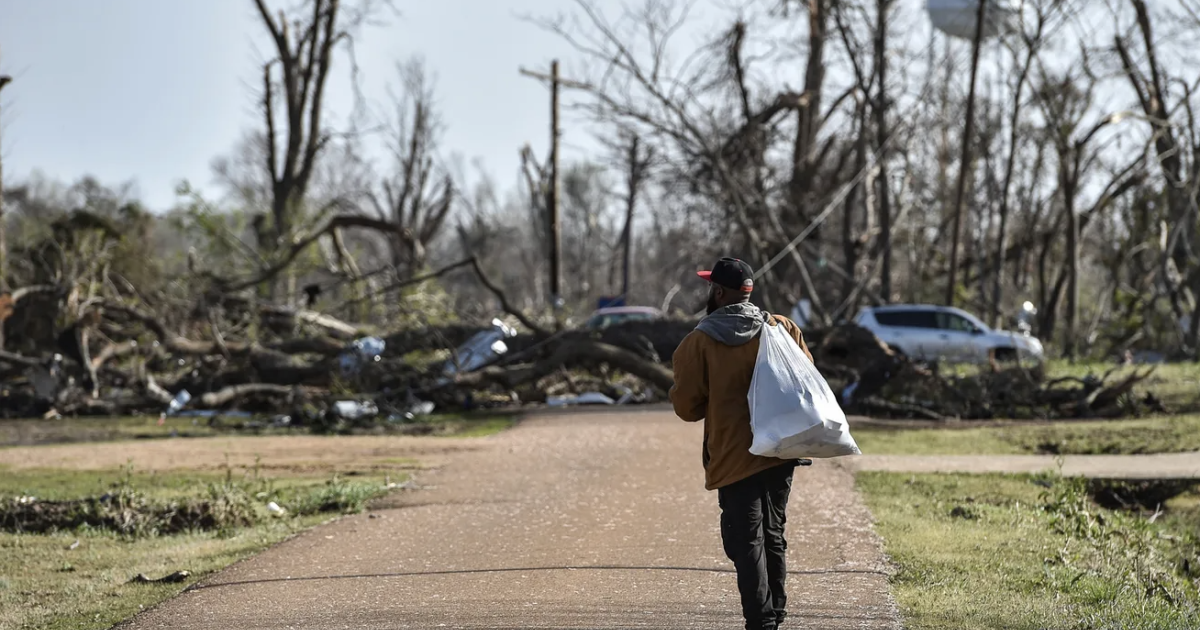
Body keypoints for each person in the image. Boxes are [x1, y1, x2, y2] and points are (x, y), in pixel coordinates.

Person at [669, 257, 814, 630]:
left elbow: (687, 408)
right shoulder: (781, 328)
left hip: (734, 455)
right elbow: (807, 381)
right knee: (773, 532)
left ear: (718, 293)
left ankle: (761, 621)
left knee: (744, 540)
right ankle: (774, 614)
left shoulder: (699, 342)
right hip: (781, 450)